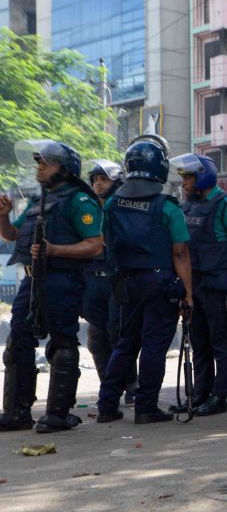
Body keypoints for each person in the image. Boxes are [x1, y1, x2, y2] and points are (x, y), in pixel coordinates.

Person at [0, 141, 104, 432]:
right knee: (17, 341)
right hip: (33, 279)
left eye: (46, 163)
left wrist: (55, 250)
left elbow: (95, 245)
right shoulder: (38, 201)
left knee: (62, 344)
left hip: (62, 280)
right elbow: (12, 235)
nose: (40, 168)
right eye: (39, 163)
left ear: (65, 170)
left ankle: (58, 415)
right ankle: (17, 413)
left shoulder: (79, 201)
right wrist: (3, 215)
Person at [94, 137, 194, 424]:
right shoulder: (168, 207)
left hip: (126, 283)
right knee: (153, 346)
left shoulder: (112, 204)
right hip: (160, 283)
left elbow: (105, 241)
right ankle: (146, 407)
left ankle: (106, 405)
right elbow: (181, 253)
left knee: (126, 343)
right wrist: (187, 293)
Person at [172, 153, 227, 416]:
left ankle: (219, 395)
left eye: (189, 177)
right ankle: (199, 393)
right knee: (198, 341)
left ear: (203, 176)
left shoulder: (226, 204)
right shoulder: (187, 207)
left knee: (220, 340)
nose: (184, 183)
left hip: (217, 282)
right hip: (193, 283)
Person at [81, 160, 134, 399]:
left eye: (104, 178)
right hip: (92, 279)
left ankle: (131, 384)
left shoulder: (125, 208)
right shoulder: (86, 209)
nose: (98, 183)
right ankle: (108, 387)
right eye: (95, 179)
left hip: (118, 277)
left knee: (118, 332)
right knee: (96, 337)